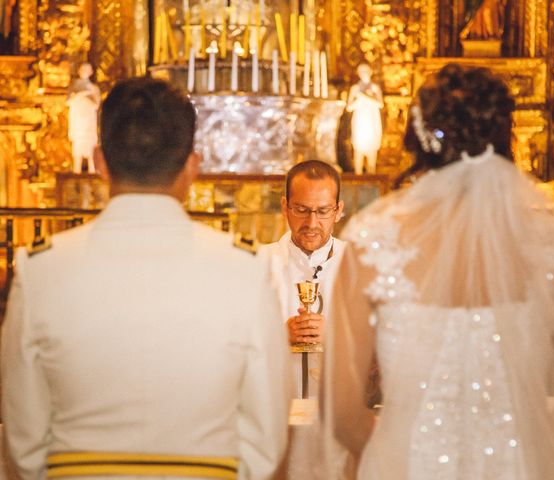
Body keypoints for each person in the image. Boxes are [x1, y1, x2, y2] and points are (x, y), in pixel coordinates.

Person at [322, 63, 554, 479]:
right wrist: (533, 445)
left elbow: (339, 410)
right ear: (504, 134)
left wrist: (398, 447)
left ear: (419, 137)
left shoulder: (373, 237)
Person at [1, 77, 291, 480]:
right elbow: (266, 438)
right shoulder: (245, 268)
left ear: (100, 162)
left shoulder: (40, 269)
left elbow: (24, 441)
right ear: (193, 166)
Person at [260, 160, 346, 399]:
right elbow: (229, 345)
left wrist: (335, 336)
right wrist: (278, 336)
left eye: (323, 211)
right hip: (275, 410)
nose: (311, 223)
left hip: (337, 414)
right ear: (285, 206)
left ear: (338, 210)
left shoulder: (359, 266)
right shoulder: (257, 265)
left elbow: (387, 344)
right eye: (301, 209)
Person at [346, 64, 383, 175]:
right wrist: (361, 99)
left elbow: (380, 104)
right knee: (359, 150)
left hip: (372, 121)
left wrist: (364, 97)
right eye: (361, 71)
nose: (364, 73)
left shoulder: (375, 87)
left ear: (371, 71)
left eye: (366, 70)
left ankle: (372, 175)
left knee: (372, 151)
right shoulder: (355, 88)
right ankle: (358, 175)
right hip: (360, 122)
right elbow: (349, 107)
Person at [67, 62, 100, 174]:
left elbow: (96, 105)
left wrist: (87, 97)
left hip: (89, 119)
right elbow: (69, 101)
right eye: (83, 69)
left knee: (90, 144)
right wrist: (82, 94)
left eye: (87, 70)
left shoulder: (94, 87)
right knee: (78, 144)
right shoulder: (73, 86)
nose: (85, 72)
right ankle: (77, 169)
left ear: (91, 72)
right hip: (77, 118)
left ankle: (92, 169)